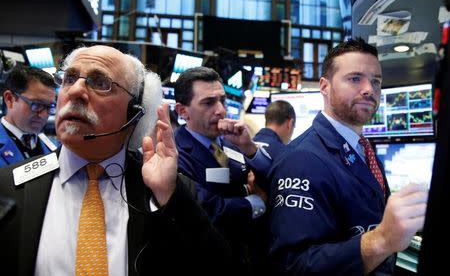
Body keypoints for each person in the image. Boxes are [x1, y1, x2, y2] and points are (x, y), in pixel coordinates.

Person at [0, 45, 232, 276]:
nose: (75, 91)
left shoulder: (165, 190)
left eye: (100, 82)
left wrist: (171, 197)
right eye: (70, 78)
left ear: (135, 112)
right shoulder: (8, 185)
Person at [268, 38, 428, 275]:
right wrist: (381, 239)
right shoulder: (302, 161)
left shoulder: (362, 147)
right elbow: (296, 266)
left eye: (376, 81)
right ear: (324, 86)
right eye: (355, 78)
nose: (369, 89)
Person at [174, 66, 271, 275]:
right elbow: (205, 209)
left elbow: (270, 180)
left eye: (222, 100)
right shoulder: (175, 153)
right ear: (182, 111)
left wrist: (250, 149)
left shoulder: (232, 143)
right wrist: (257, 202)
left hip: (246, 258)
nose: (221, 110)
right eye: (209, 103)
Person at [0, 65, 58, 167]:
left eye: (50, 107)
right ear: (10, 99)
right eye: (37, 104)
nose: (44, 115)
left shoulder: (53, 146)